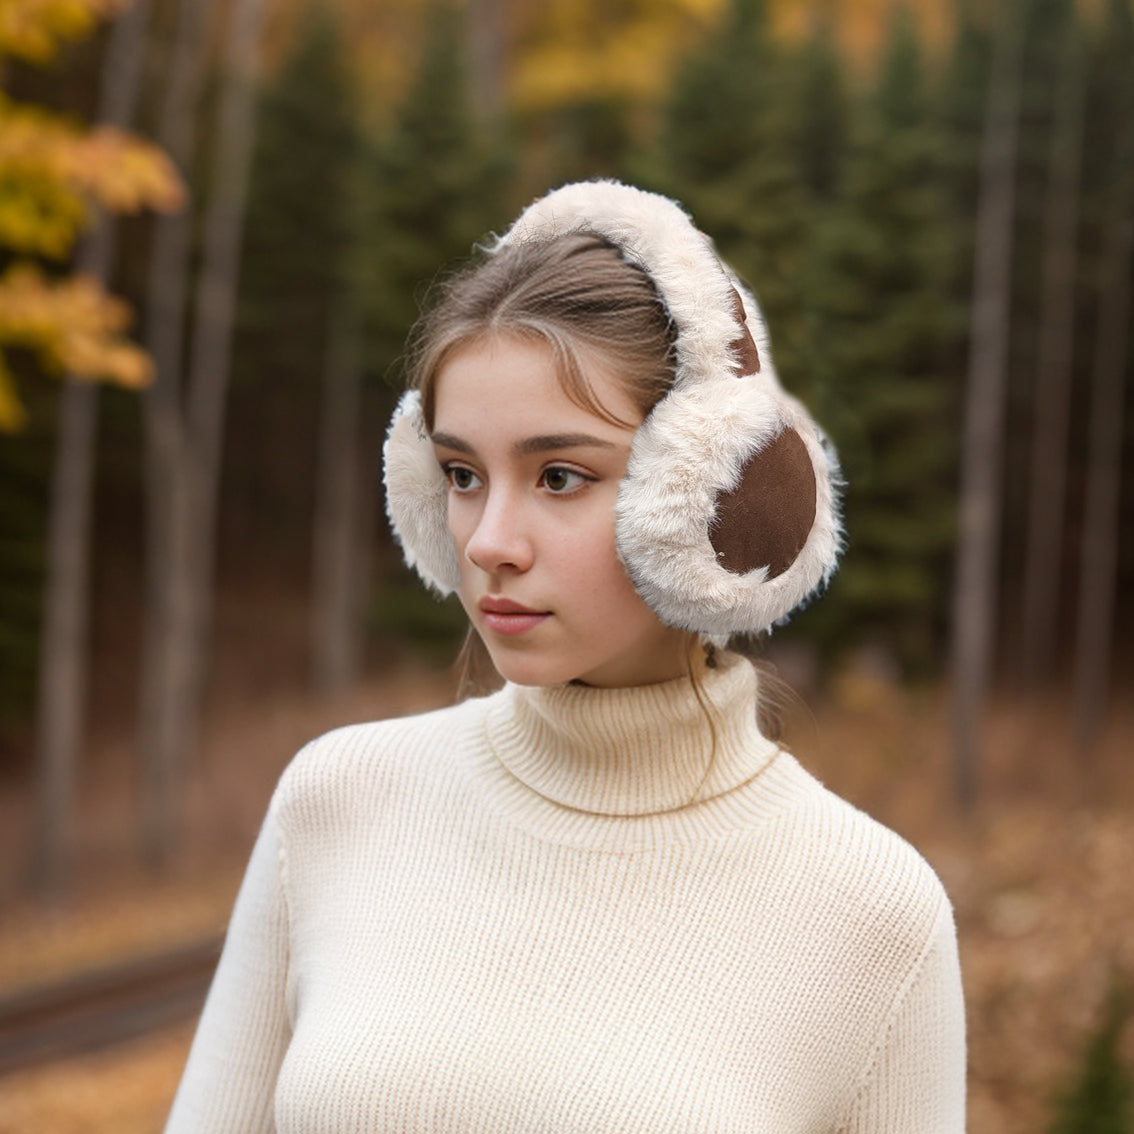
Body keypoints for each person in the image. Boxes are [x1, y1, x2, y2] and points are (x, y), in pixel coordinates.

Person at [164, 180, 966, 1133]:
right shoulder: (335, 797)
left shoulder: (875, 913)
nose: (490, 539)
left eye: (559, 476)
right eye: (461, 475)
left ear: (713, 496)